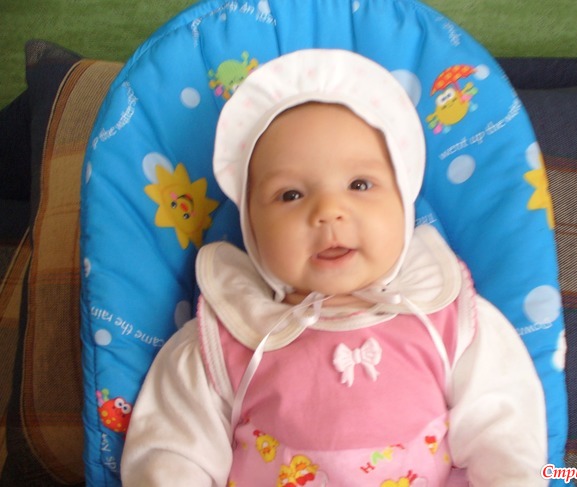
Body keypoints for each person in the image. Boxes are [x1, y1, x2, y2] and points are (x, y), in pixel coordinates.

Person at [122, 49, 547, 486]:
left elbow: (506, 443)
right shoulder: (227, 338)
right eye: (290, 195)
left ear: (403, 204)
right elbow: (170, 458)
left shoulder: (451, 322)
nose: (328, 211)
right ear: (250, 226)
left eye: (360, 184)